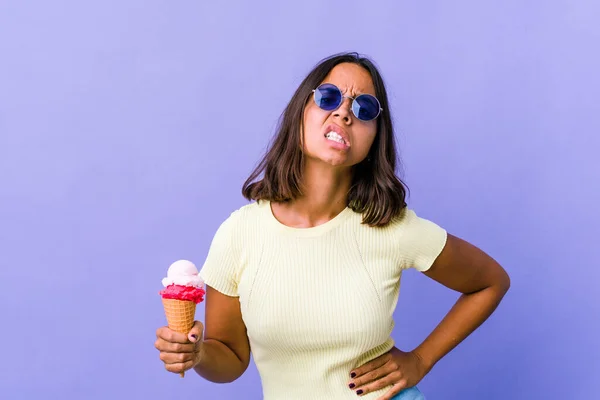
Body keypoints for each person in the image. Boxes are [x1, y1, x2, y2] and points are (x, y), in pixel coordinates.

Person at [154, 52, 511, 400]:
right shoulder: (239, 233)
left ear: (375, 138)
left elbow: (490, 282)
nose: (343, 112)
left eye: (364, 108)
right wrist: (197, 353)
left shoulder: (390, 226)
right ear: (300, 114)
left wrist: (420, 360)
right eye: (328, 97)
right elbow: (230, 358)